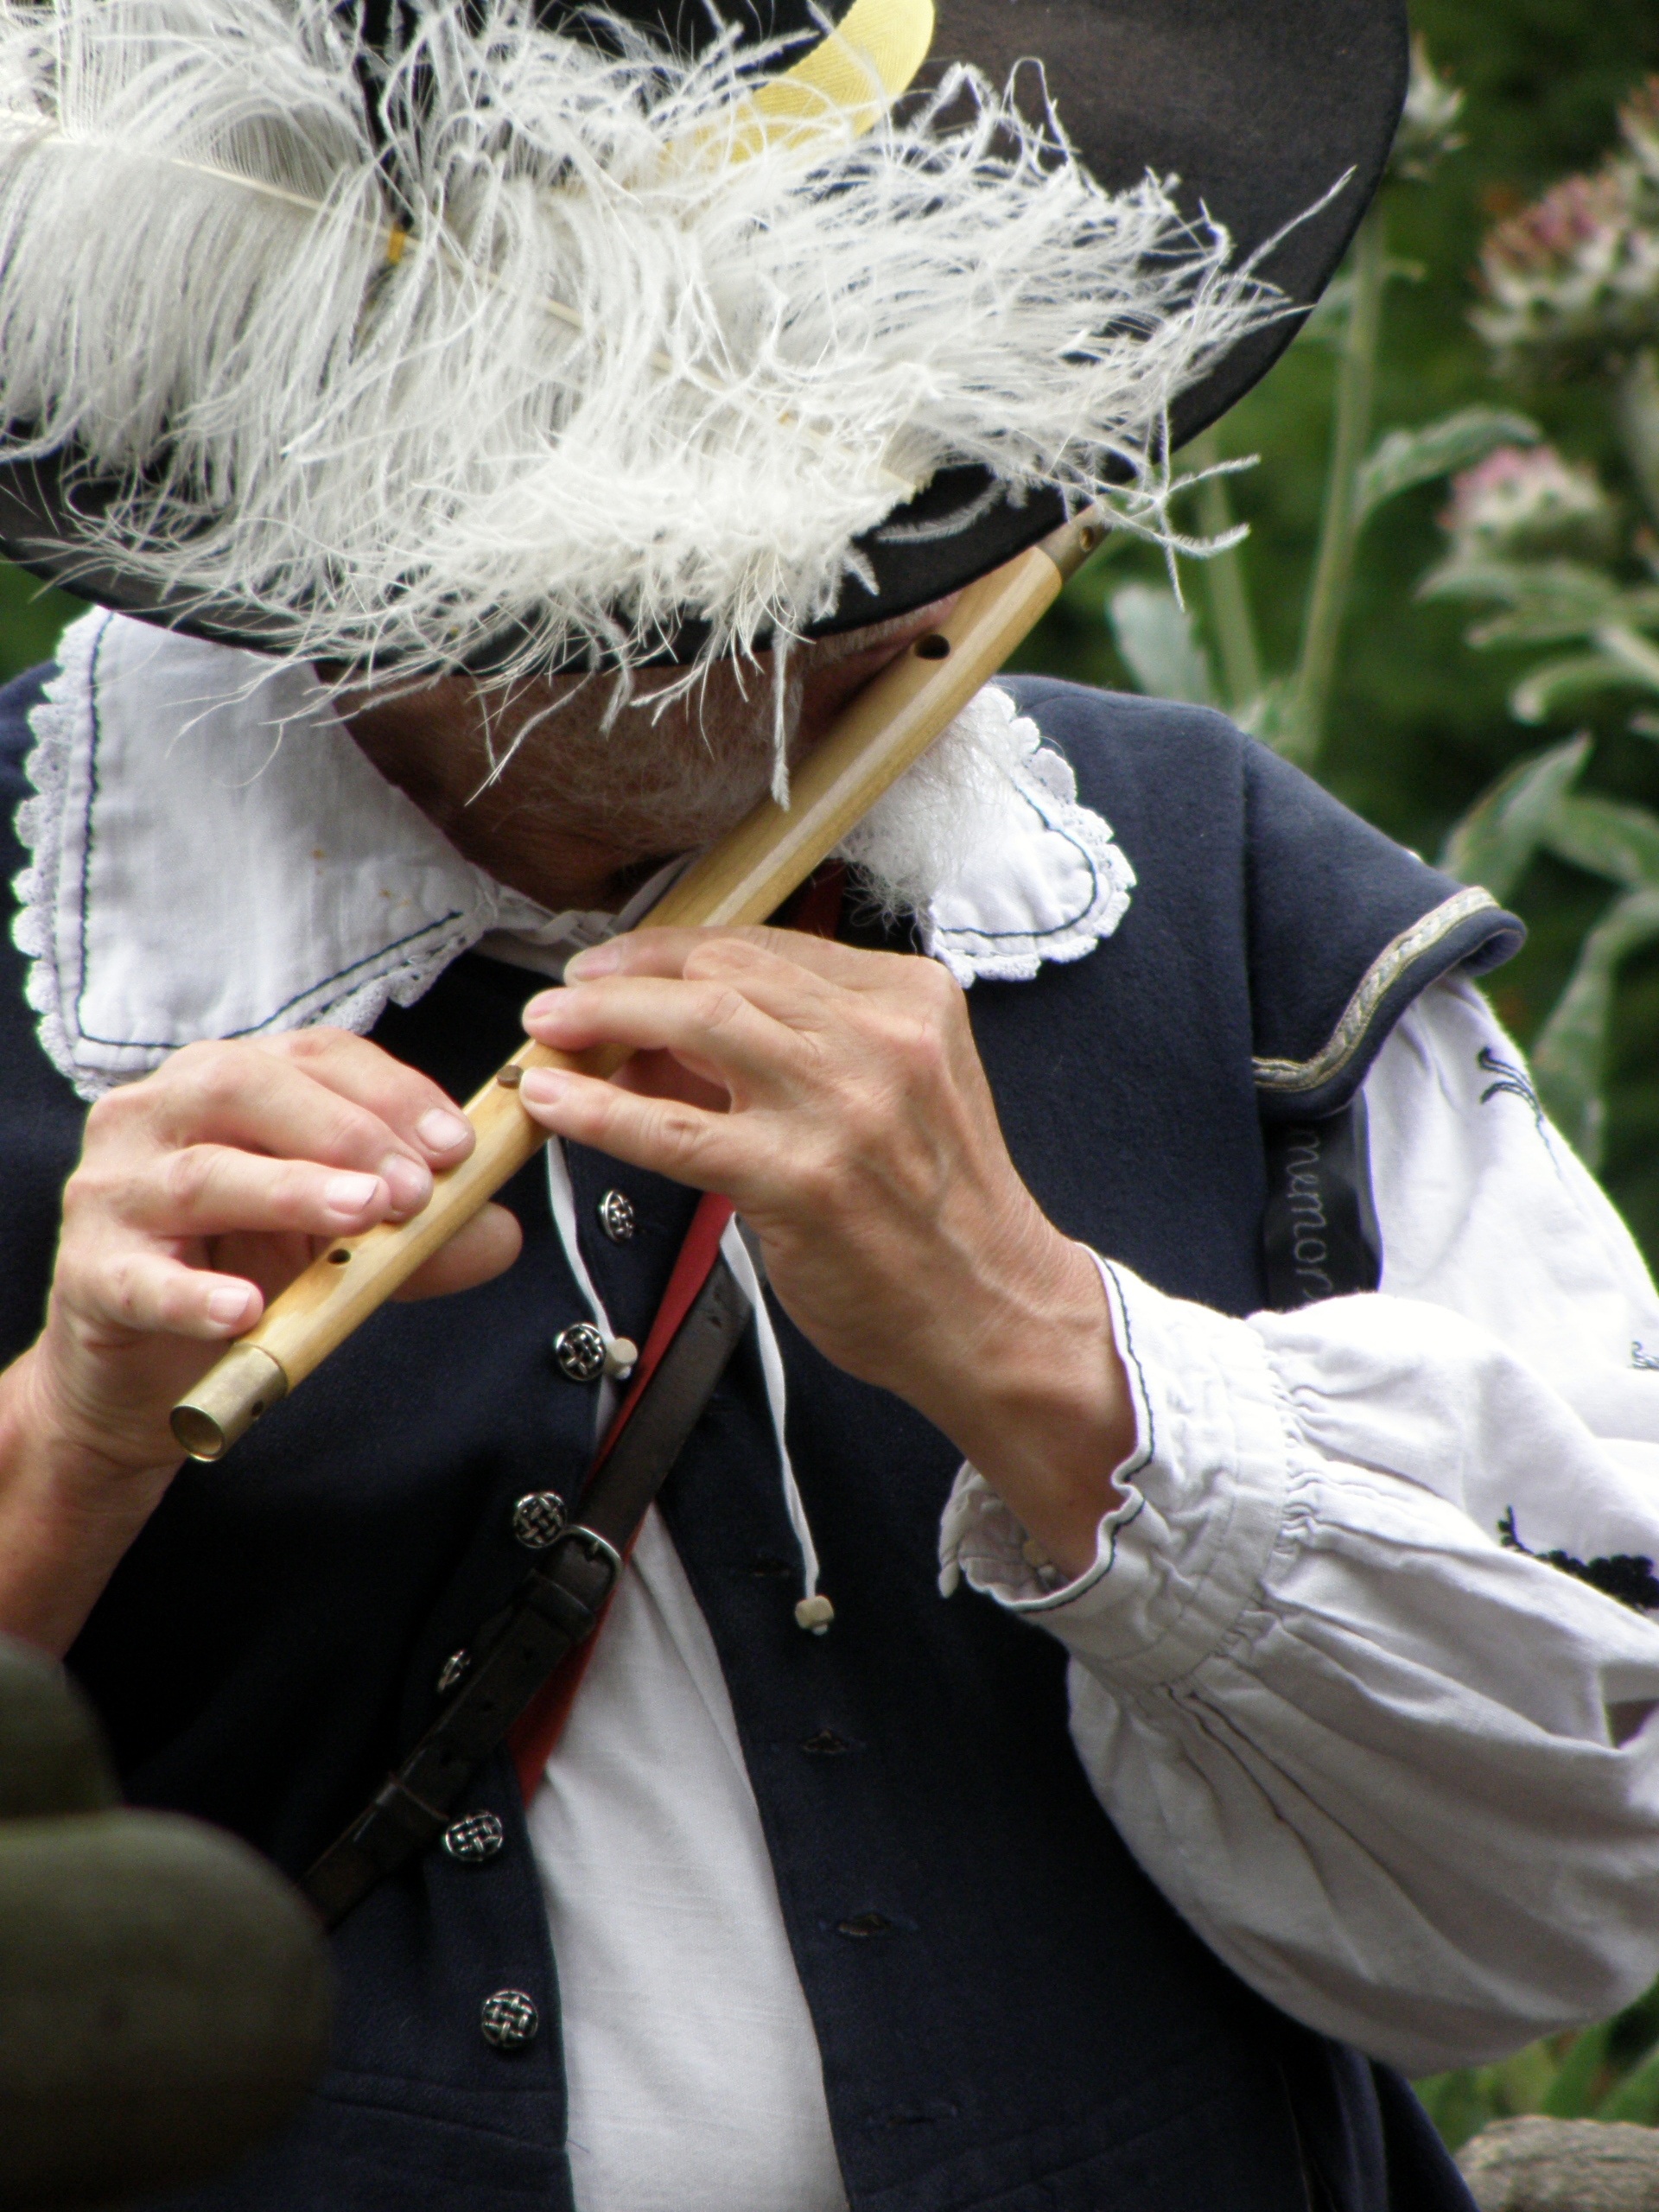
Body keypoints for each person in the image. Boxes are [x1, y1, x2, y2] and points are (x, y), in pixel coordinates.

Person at [3, 3, 1659, 2209]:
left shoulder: (1224, 899)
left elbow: (1585, 1881)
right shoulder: (69, 912)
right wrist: (71, 1444)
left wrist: (1053, 1357)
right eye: (648, 609)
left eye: (906, 506)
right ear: (326, 568)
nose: (894, 617)